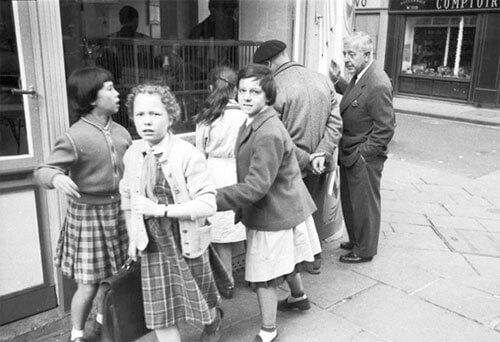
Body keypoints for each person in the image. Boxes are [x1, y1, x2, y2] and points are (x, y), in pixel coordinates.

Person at [216, 64, 317, 342]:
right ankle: (298, 297)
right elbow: (291, 150)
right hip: (284, 206)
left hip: (272, 212)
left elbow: (256, 187)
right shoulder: (261, 120)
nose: (247, 97)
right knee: (289, 258)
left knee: (263, 273)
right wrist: (310, 159)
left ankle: (268, 331)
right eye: (243, 90)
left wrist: (212, 199)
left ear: (268, 96)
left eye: (255, 92)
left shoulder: (267, 129)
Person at [120, 84, 229, 342]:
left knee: (200, 297)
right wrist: (133, 236)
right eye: (140, 114)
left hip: (186, 240)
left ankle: (213, 324)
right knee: (161, 313)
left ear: (171, 116)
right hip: (152, 245)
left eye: (155, 114)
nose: (146, 121)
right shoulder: (133, 153)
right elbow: (127, 198)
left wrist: (160, 209)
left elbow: (207, 205)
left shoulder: (187, 154)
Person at [34, 67, 132, 342]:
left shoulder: (122, 132)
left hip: (119, 213)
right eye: (110, 89)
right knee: (88, 284)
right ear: (91, 98)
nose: (117, 93)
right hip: (88, 215)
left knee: (115, 278)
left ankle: (101, 322)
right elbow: (42, 169)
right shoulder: (74, 136)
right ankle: (77, 335)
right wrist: (55, 177)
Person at [253, 40, 342, 274]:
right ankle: (314, 257)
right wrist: (322, 153)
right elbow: (335, 123)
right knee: (312, 209)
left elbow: (276, 135)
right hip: (321, 162)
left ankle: (304, 260)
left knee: (296, 216)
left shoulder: (274, 88)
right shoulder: (322, 79)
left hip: (294, 164)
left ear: (269, 63)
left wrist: (307, 159)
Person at [337, 31, 395, 263]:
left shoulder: (378, 82)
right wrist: (336, 81)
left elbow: (386, 127)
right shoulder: (361, 74)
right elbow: (355, 96)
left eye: (351, 54)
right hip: (351, 150)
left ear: (367, 54)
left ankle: (365, 250)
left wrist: (365, 154)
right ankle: (357, 240)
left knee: (365, 205)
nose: (346, 59)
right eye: (345, 53)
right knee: (352, 203)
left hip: (362, 154)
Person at [195, 66, 247, 298]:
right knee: (247, 228)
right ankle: (255, 277)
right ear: (236, 89)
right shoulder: (246, 115)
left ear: (209, 87)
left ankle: (226, 284)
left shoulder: (207, 117)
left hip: (214, 174)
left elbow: (199, 151)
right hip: (241, 172)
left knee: (221, 238)